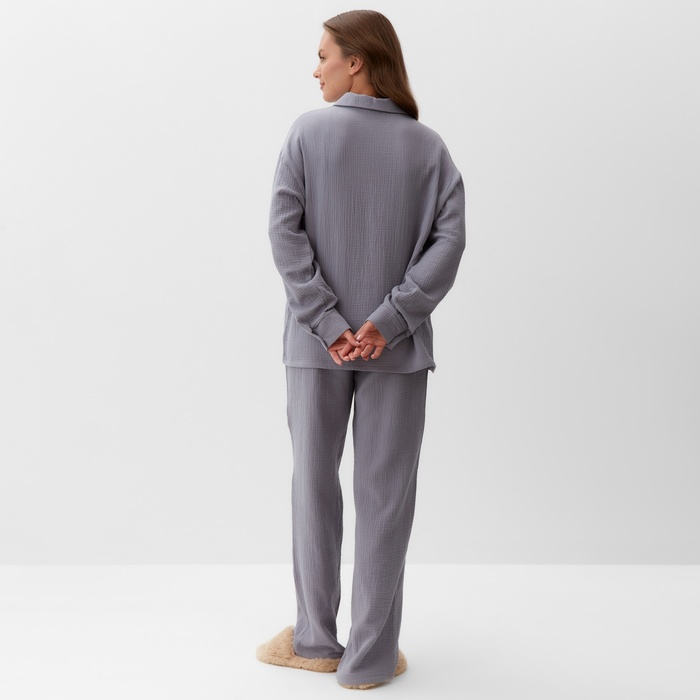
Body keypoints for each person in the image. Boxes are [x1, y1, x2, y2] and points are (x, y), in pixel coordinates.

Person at [256, 9, 466, 690]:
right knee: (385, 499)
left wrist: (327, 320)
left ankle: (316, 642)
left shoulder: (307, 133)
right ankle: (370, 660)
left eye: (324, 55)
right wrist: (390, 319)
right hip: (396, 353)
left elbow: (284, 232)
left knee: (313, 488)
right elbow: (449, 242)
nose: (314, 68)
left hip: (315, 347)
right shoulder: (429, 149)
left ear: (358, 61)